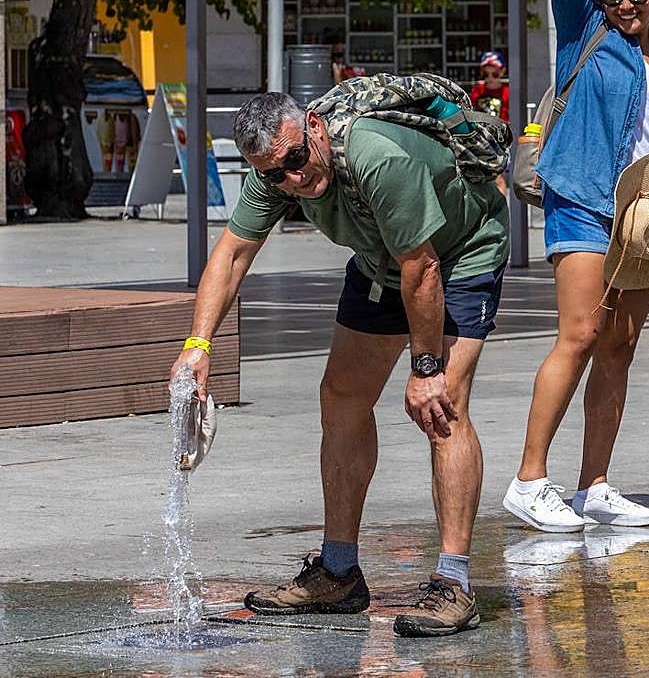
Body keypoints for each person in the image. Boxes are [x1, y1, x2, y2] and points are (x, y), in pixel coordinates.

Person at [168, 80, 509, 636]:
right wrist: (197, 345)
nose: (292, 179)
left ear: (315, 130)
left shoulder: (376, 156)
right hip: (383, 260)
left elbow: (421, 269)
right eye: (276, 173)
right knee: (342, 396)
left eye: (296, 160)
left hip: (459, 252)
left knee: (442, 408)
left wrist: (425, 370)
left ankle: (454, 584)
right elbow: (231, 255)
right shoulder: (275, 175)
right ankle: (339, 571)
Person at [502, 0, 649, 533]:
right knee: (582, 334)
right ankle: (530, 480)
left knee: (619, 347)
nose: (625, 5)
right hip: (585, 201)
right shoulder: (583, 33)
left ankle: (595, 486)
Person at [470, 50, 511, 193]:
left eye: (494, 74)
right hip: (480, 136)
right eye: (486, 74)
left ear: (502, 72)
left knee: (497, 175)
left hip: (499, 139)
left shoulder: (506, 91)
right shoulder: (478, 90)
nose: (490, 78)